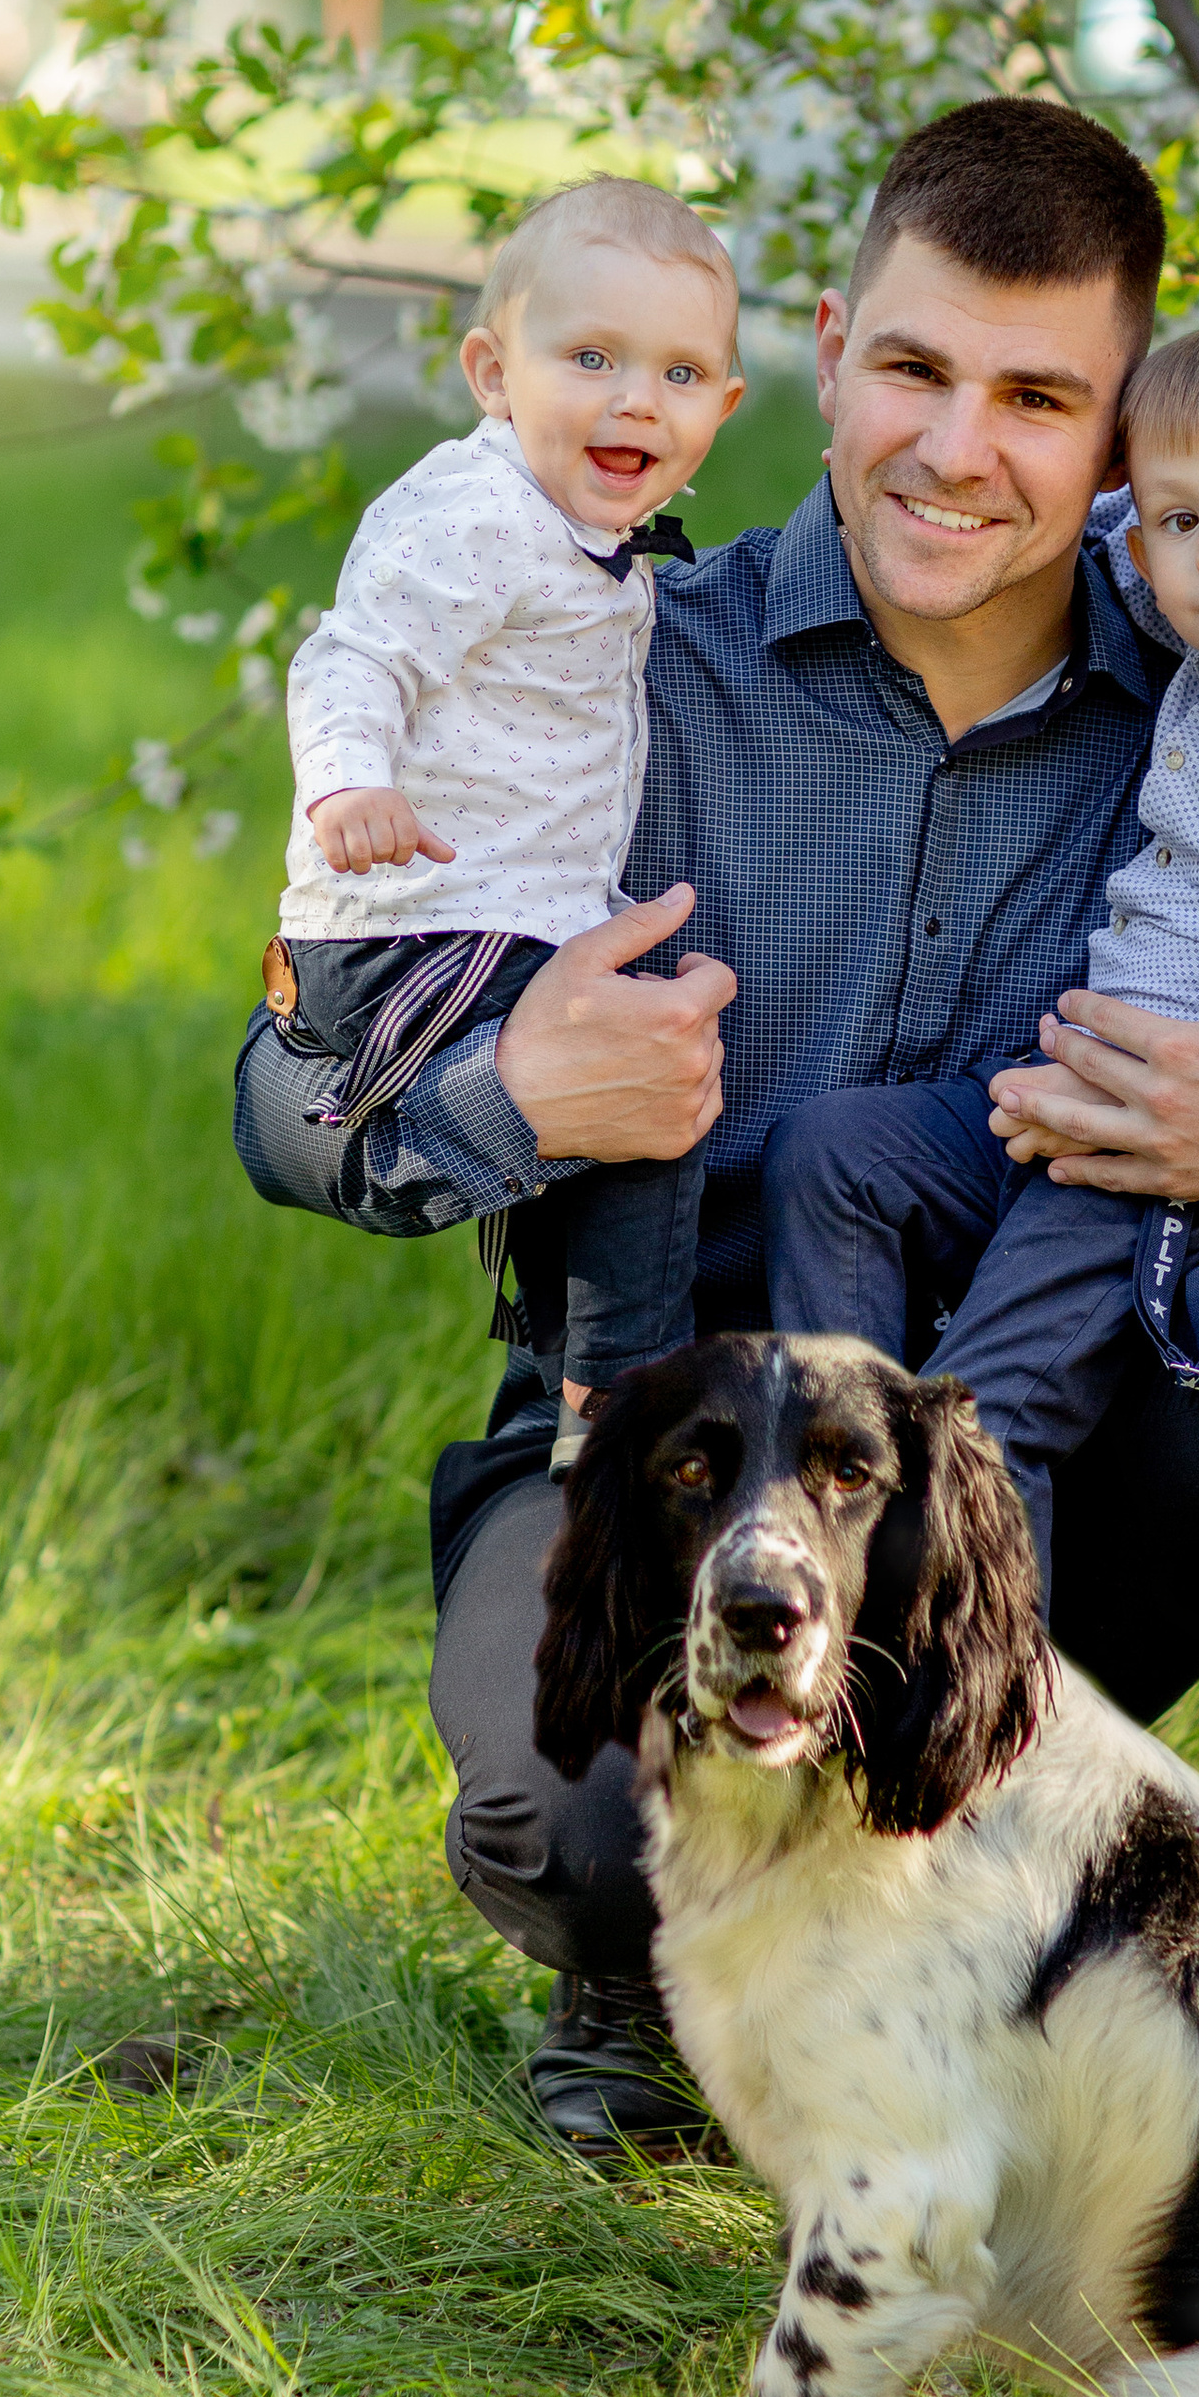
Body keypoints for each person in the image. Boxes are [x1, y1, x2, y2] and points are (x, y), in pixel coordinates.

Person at [234, 98, 1199, 2142]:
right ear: (831, 345)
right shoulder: (619, 662)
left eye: (1040, 398)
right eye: (916, 370)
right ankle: (670, 1981)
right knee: (575, 1814)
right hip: (668, 1468)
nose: (959, 450)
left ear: (1126, 431)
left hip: (1047, 1486)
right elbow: (284, 1091)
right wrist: (512, 1093)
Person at [763, 309, 1199, 1569]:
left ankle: (972, 1740)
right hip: (1070, 1103)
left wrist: (1125, 1122)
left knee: (981, 1431)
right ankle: (834, 1488)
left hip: (1167, 1163)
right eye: (1184, 522)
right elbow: (1102, 540)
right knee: (836, 1153)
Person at [268, 177, 745, 1465]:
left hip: (481, 919)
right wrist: (348, 782)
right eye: (589, 357)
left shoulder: (591, 536)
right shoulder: (477, 516)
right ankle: (612, 1417)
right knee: (647, 1098)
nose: (635, 398)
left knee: (613, 1127)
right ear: (492, 371)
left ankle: (586, 1383)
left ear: (725, 407)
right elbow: (353, 655)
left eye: (679, 371)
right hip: (428, 922)